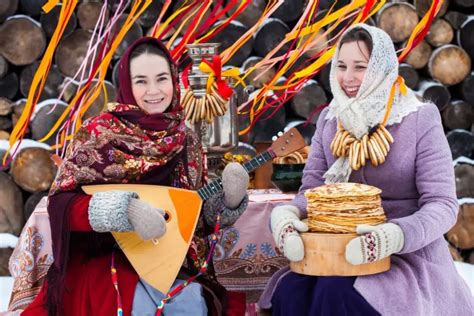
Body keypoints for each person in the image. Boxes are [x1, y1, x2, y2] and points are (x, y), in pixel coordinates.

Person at [20, 37, 249, 316]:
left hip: (168, 259)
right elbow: (62, 204)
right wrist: (124, 210)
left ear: (175, 82)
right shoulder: (99, 133)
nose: (154, 91)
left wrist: (227, 202)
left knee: (191, 302)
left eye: (162, 78)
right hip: (107, 258)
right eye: (141, 81)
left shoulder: (186, 138)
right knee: (135, 303)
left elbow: (191, 213)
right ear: (127, 86)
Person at [258, 24, 474, 315]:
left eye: (360, 67)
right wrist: (289, 214)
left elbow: (443, 204)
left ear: (380, 68)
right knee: (291, 291)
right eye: (342, 66)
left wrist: (395, 235)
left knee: (336, 293)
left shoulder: (418, 118)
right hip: (335, 250)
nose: (348, 78)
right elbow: (312, 191)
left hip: (406, 255)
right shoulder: (331, 118)